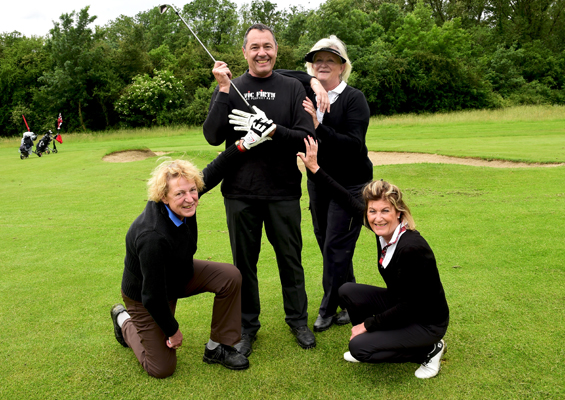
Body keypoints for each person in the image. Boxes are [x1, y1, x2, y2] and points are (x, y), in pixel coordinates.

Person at [109, 132, 271, 378]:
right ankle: (124, 320)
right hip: (145, 296)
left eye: (192, 190)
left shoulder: (187, 198)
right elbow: (152, 296)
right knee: (162, 368)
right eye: (180, 194)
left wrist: (242, 144)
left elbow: (215, 170)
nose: (190, 199)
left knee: (230, 275)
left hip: (178, 274)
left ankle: (218, 347)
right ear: (163, 196)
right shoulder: (151, 235)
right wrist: (173, 331)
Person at [202, 23, 317, 356]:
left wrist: (274, 130)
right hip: (239, 192)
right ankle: (248, 326)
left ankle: (297, 320)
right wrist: (223, 91)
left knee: (290, 260)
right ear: (244, 52)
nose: (262, 52)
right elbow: (212, 135)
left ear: (276, 50)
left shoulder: (293, 88)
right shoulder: (231, 87)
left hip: (283, 191)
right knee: (244, 265)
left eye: (267, 46)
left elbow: (307, 136)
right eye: (254, 47)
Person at [298, 136, 450, 379]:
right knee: (347, 290)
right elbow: (345, 198)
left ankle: (429, 349)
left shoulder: (411, 247)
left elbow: (410, 306)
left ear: (399, 213)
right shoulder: (380, 228)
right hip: (402, 305)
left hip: (425, 320)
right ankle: (385, 339)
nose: (378, 217)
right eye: (373, 211)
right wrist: (315, 169)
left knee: (359, 348)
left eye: (385, 211)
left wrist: (367, 325)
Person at [278, 36, 373, 332]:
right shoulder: (308, 90)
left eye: (330, 60)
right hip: (318, 180)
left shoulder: (353, 98)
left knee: (335, 247)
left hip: (351, 184)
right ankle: (353, 302)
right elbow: (275, 75)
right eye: (317, 60)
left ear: (342, 67)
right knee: (329, 243)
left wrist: (320, 128)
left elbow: (354, 145)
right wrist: (313, 83)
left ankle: (328, 310)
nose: (323, 64)